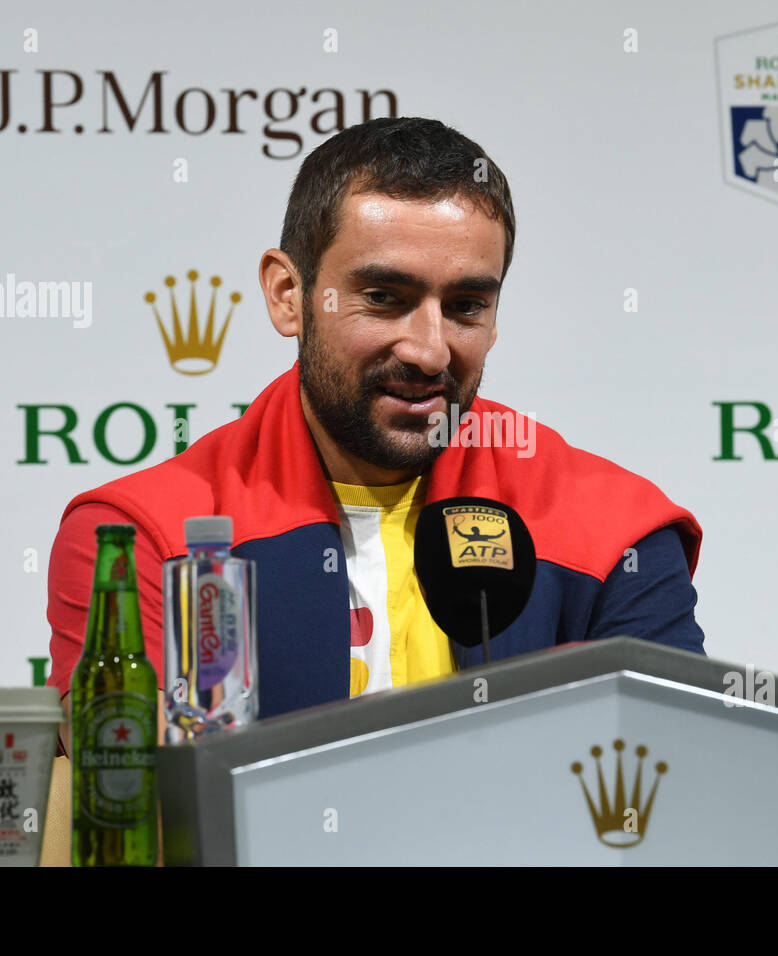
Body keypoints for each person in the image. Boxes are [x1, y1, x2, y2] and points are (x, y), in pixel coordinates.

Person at [45, 116, 705, 757]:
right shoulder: (141, 538)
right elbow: (128, 808)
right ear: (286, 295)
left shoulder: (614, 530)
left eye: (466, 307)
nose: (429, 350)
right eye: (385, 297)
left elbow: (672, 790)